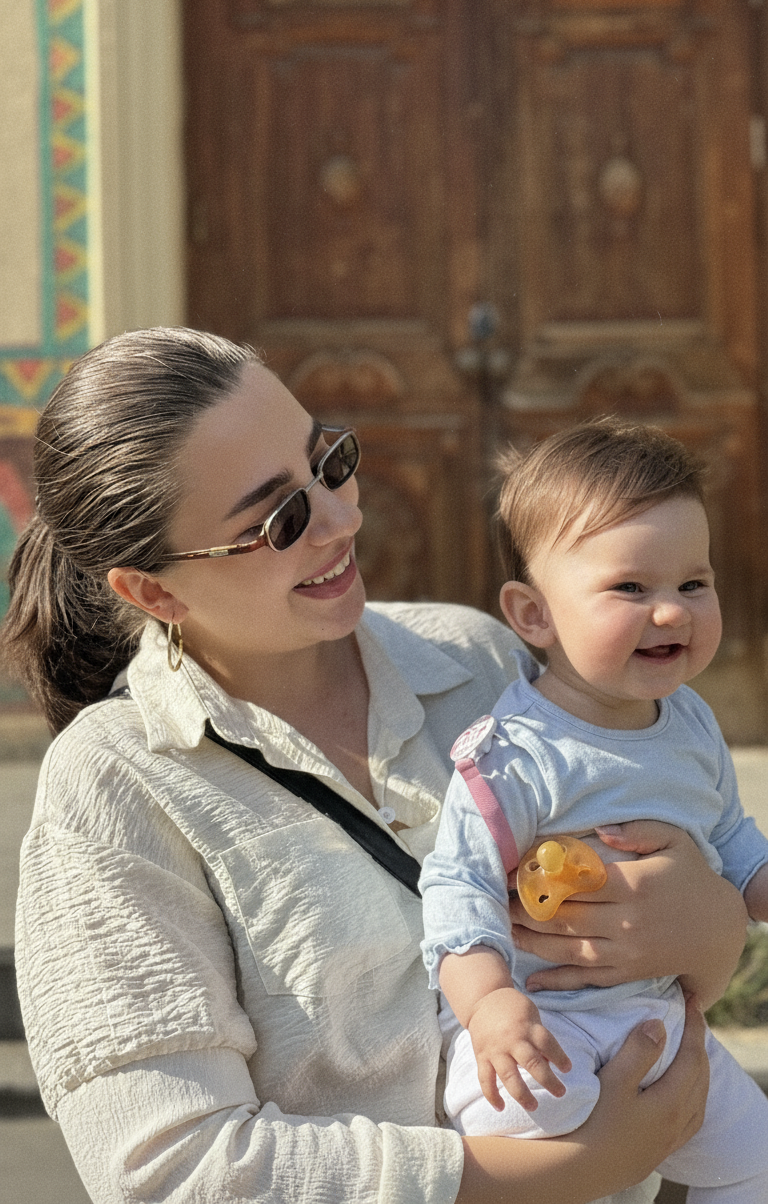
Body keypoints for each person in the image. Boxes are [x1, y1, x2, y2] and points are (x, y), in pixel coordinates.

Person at [2, 330, 740, 1204]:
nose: (341, 518)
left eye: (329, 463)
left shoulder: (481, 662)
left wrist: (712, 932)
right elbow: (171, 1168)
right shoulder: (113, 785)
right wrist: (561, 1171)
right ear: (154, 592)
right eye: (279, 520)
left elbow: (663, 944)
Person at [420, 419, 768, 1202]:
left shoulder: (690, 721)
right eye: (631, 589)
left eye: (693, 584)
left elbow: (731, 838)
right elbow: (456, 885)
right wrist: (489, 1003)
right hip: (539, 1026)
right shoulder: (515, 752)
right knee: (541, 1121)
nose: (672, 612)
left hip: (654, 1015)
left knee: (756, 1156)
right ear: (533, 615)